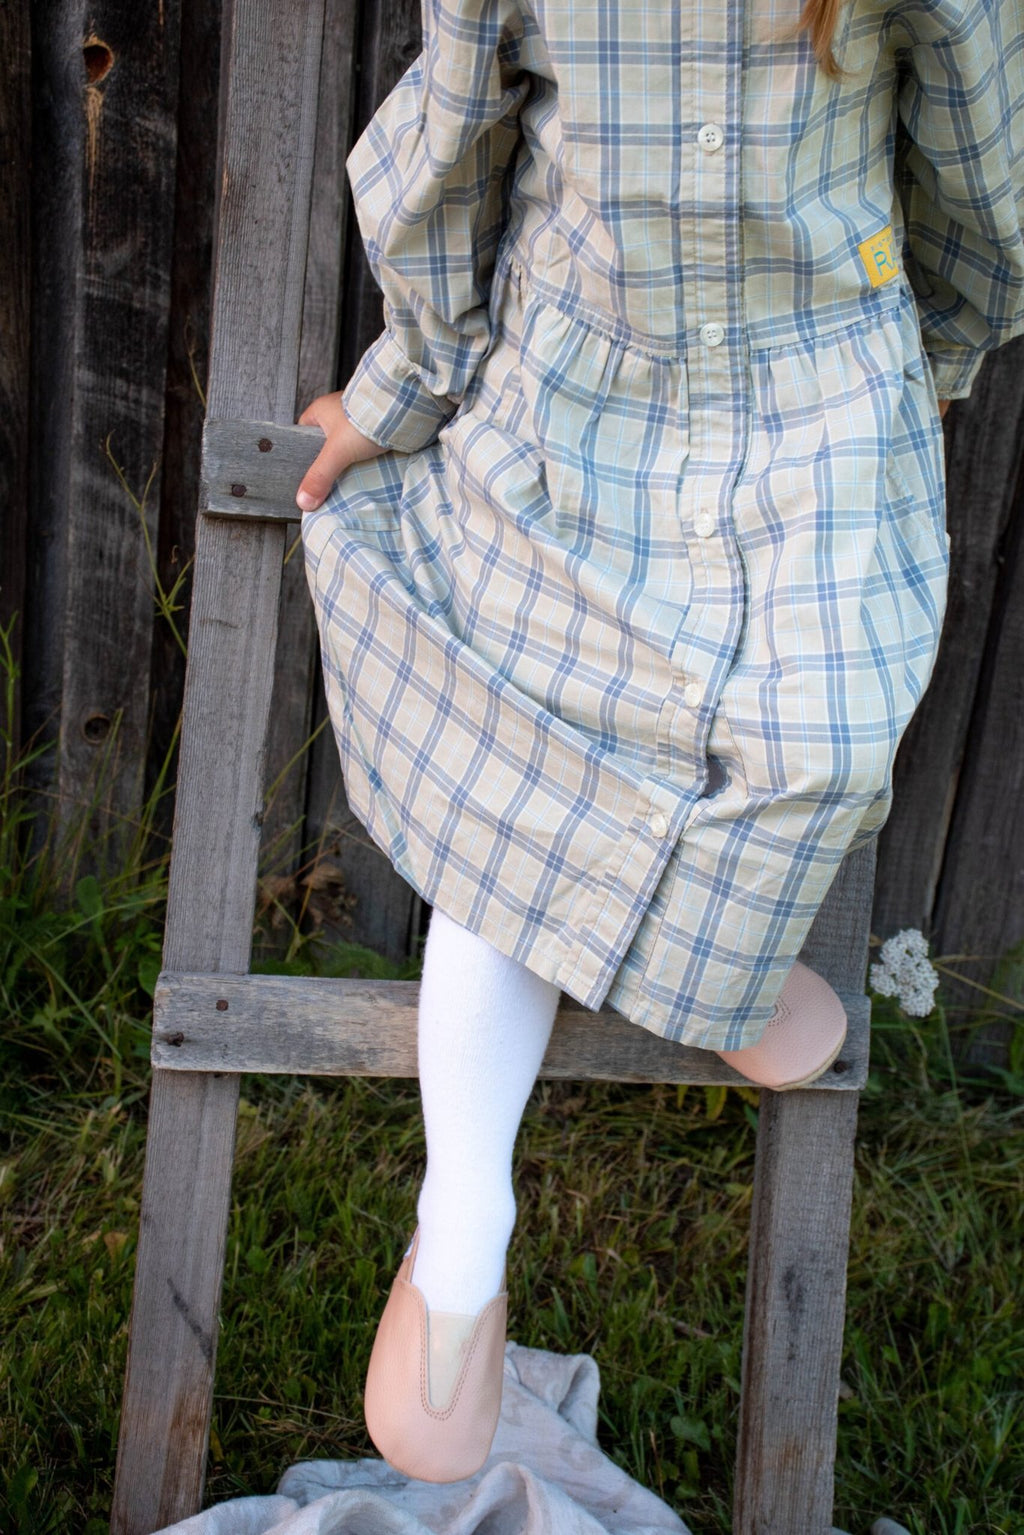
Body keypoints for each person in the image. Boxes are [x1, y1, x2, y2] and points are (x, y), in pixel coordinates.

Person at [295, 0, 1024, 1485]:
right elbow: (452, 143)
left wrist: (931, 358)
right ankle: (462, 1232)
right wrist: (407, 382)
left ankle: (709, 963)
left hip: (817, 399)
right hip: (576, 387)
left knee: (823, 732)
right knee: (514, 734)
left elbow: (981, 164)